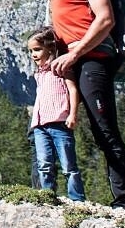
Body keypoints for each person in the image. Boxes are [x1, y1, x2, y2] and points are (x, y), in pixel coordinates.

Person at [46, 0, 125, 210]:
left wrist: (75, 54)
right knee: (93, 132)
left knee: (105, 130)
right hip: (75, 62)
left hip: (92, 61)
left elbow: (105, 18)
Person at [25, 27, 84, 200]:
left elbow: (73, 90)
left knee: (68, 165)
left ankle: (77, 198)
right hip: (39, 126)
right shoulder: (39, 74)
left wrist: (73, 114)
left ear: (50, 48)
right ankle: (47, 196)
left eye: (37, 50)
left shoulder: (61, 67)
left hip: (60, 123)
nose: (33, 55)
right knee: (44, 164)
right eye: (31, 51)